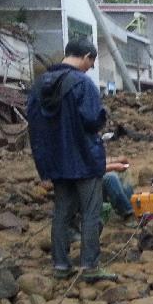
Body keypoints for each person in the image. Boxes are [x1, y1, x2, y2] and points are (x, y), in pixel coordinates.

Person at [26, 39, 117, 282]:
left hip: (54, 161)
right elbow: (91, 120)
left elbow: (33, 124)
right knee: (90, 212)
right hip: (84, 158)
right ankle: (90, 266)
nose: (90, 67)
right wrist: (102, 116)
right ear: (86, 56)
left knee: (61, 211)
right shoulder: (82, 83)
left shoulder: (39, 85)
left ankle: (60, 265)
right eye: (91, 62)